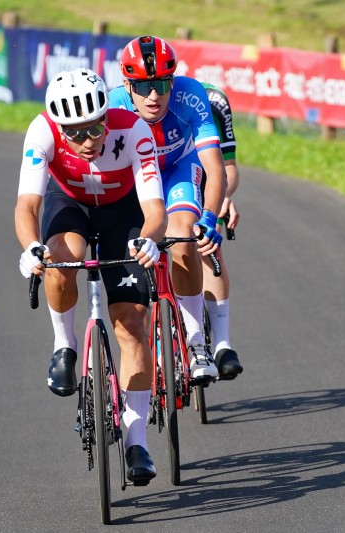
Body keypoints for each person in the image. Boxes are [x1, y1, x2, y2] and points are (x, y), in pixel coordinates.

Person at [15, 68, 167, 484]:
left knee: (133, 325)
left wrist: (150, 241)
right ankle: (64, 345)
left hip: (123, 213)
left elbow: (154, 210)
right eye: (75, 133)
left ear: (107, 116)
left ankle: (138, 441)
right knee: (61, 257)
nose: (87, 141)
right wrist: (31, 247)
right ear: (60, 128)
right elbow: (27, 205)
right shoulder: (41, 130)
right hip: (70, 204)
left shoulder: (134, 130)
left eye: (96, 128)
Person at [109, 35, 227, 382]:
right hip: (136, 177)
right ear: (127, 85)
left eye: (161, 84)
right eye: (144, 86)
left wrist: (209, 218)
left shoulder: (191, 96)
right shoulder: (113, 105)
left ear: (172, 81)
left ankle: (195, 343)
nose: (154, 96)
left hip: (178, 168)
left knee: (182, 237)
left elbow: (215, 167)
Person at [201, 81, 243, 379]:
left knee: (209, 246)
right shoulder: (137, 103)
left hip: (206, 176)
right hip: (158, 176)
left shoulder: (215, 101)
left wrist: (222, 198)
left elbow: (228, 166)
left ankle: (222, 343)